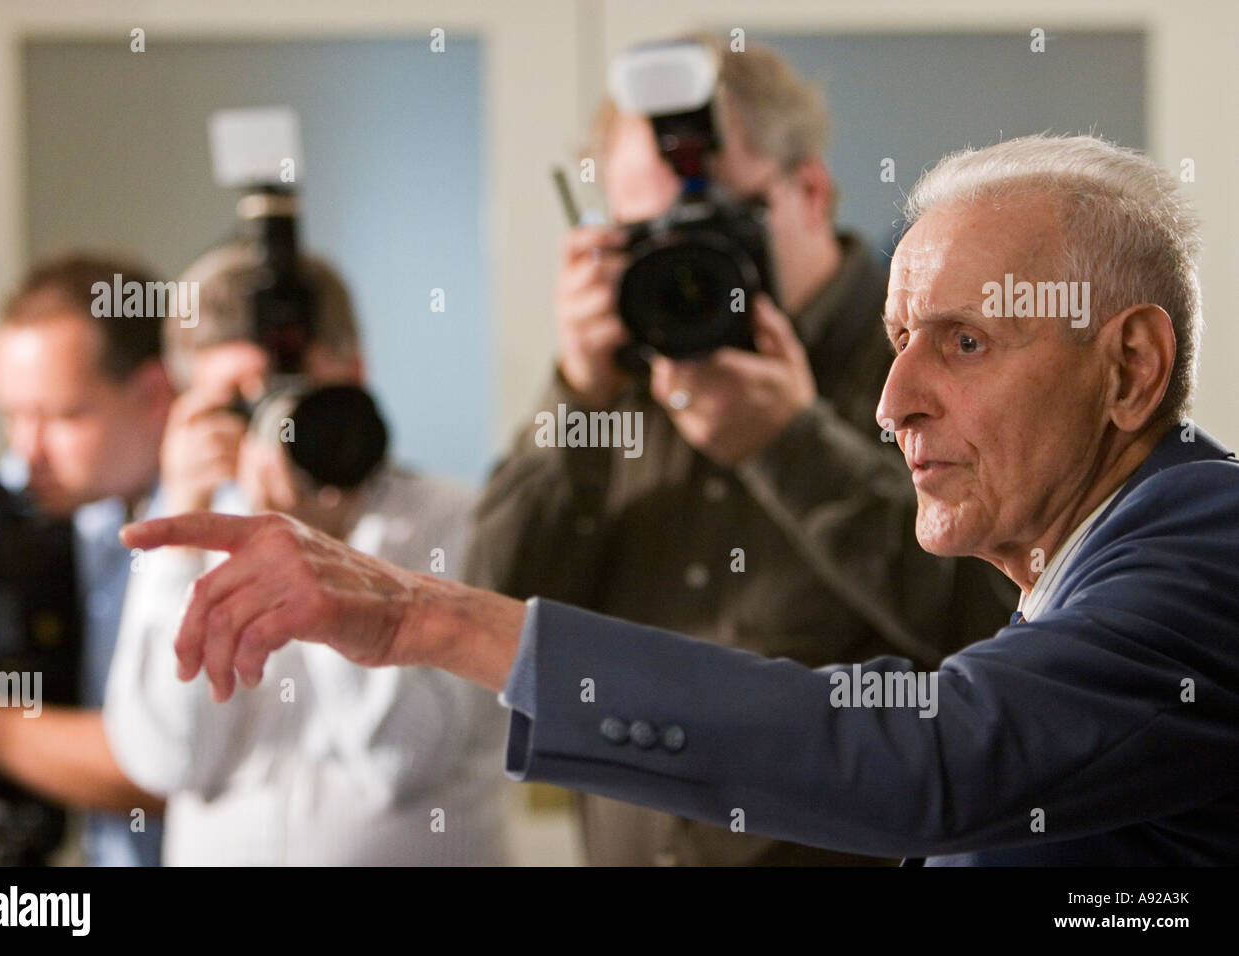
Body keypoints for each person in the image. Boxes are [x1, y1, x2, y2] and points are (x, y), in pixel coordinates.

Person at [125, 133, 1239, 865]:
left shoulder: (1203, 547)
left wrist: (434, 617)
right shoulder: (1081, 564)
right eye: (900, 343)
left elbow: (925, 751)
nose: (894, 400)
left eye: (962, 341)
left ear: (1130, 367)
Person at [465, 37, 1013, 864]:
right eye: (645, 235)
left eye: (716, 221)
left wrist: (791, 447)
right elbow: (493, 614)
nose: (685, 262)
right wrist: (577, 391)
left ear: (812, 190)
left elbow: (998, 625)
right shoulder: (618, 384)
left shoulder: (931, 362)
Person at [103, 243, 511, 865]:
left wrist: (321, 552)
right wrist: (179, 536)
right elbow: (163, 760)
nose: (277, 427)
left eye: (293, 395)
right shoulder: (193, 532)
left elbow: (404, 760)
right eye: (242, 400)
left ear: (356, 373)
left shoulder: (455, 518)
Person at [0, 254, 172, 866]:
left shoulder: (217, 534)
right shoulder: (77, 495)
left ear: (152, 394)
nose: (28, 448)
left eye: (63, 415)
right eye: (14, 414)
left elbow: (156, 772)